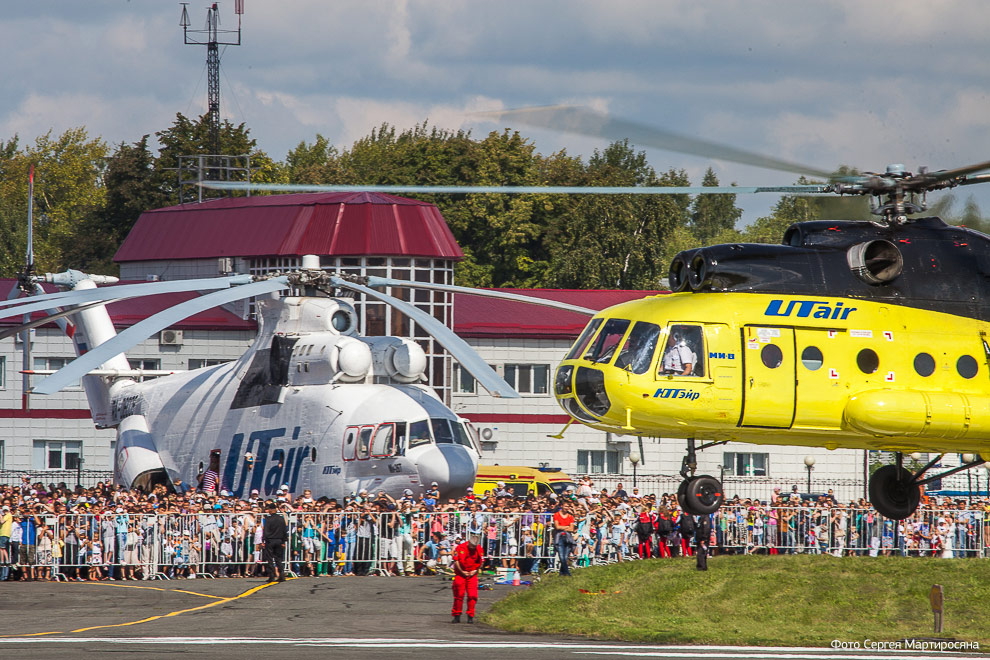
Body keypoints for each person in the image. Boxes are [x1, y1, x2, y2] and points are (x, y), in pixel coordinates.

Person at [450, 532, 484, 624]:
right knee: (459, 595)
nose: (472, 548)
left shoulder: (479, 549)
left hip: (472, 575)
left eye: (474, 546)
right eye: (471, 546)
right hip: (461, 574)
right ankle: (457, 615)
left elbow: (481, 562)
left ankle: (470, 615)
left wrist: (475, 571)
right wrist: (462, 571)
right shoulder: (460, 547)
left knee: (472, 596)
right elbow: (456, 561)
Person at [261, 500, 287, 583]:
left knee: (270, 559)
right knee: (278, 558)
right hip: (279, 540)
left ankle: (272, 576)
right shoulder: (281, 519)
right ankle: (281, 575)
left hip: (270, 540)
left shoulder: (268, 519)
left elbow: (266, 530)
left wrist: (263, 540)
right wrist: (284, 541)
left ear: (272, 510)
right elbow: (284, 530)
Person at [553, 500, 576, 576]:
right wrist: (567, 527)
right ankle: (567, 572)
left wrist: (562, 527)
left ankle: (562, 573)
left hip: (568, 537)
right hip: (559, 537)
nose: (567, 508)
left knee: (565, 557)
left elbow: (572, 529)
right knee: (561, 556)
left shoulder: (570, 516)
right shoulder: (556, 515)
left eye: (568, 506)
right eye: (565, 506)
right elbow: (557, 527)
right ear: (562, 506)